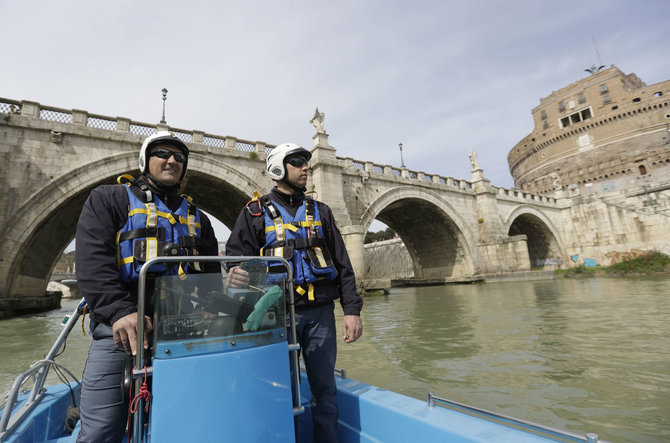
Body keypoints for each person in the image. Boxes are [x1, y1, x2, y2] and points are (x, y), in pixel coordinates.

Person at [75, 131, 220, 442]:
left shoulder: (199, 218)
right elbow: (91, 261)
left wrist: (210, 308)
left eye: (179, 157)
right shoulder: (108, 199)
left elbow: (210, 275)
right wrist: (119, 311)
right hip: (119, 332)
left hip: (182, 332)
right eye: (162, 154)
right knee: (101, 430)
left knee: (183, 422)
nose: (171, 160)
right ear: (145, 160)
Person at [225, 142, 363, 443]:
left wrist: (352, 310)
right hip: (275, 315)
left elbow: (343, 264)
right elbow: (235, 259)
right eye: (298, 162)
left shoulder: (322, 212)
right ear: (278, 168)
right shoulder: (254, 213)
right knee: (276, 388)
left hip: (320, 316)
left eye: (306, 162)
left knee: (325, 389)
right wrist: (235, 273)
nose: (305, 168)